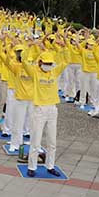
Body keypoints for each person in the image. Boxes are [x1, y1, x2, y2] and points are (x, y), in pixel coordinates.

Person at [25, 49, 68, 177]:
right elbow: (24, 61)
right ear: (40, 62)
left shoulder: (54, 72)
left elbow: (66, 61)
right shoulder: (35, 72)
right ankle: (32, 167)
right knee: (36, 140)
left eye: (50, 64)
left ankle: (50, 166)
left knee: (52, 141)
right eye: (46, 63)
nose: (48, 66)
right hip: (39, 109)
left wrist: (64, 47)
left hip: (52, 109)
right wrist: (30, 48)